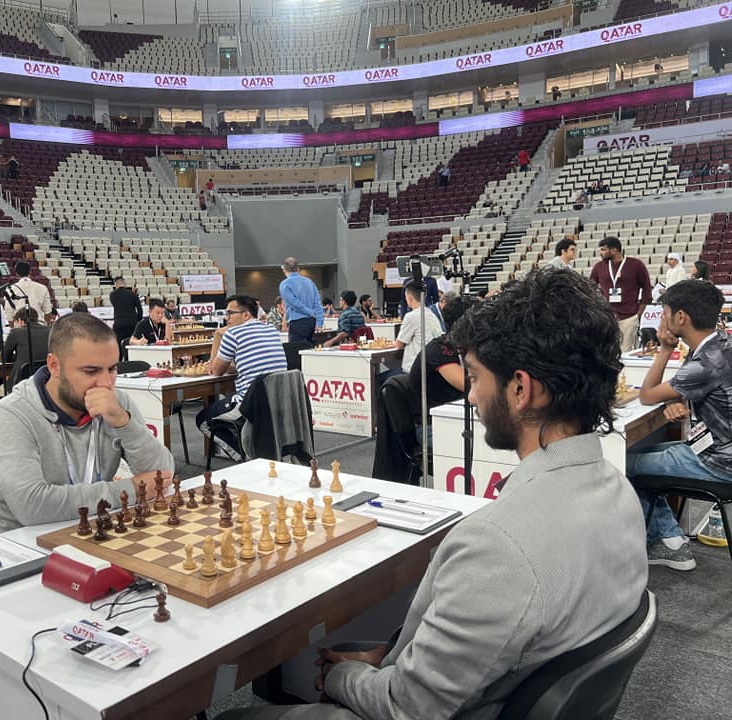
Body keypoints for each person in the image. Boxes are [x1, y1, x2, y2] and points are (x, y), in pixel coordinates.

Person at [220, 269, 647, 720]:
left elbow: (408, 708)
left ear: (522, 389)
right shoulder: (620, 492)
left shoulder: (498, 544)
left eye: (477, 377)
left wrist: (342, 678)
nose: (473, 397)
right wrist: (386, 658)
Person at [0, 313, 173, 536]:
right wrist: (132, 489)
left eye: (112, 369)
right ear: (54, 365)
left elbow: (163, 474)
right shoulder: (11, 414)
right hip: (25, 548)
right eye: (91, 371)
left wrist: (124, 423)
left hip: (97, 530)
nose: (106, 383)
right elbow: (32, 505)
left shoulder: (116, 402)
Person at [629, 280, 731, 571]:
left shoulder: (706, 361)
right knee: (646, 455)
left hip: (717, 462)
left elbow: (647, 395)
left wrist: (663, 349)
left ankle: (670, 543)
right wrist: (683, 403)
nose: (662, 319)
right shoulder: (721, 344)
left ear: (681, 318)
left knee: (623, 464)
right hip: (718, 449)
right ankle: (670, 538)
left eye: (665, 312)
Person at [200, 295, 287, 460]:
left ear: (246, 315)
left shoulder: (232, 334)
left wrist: (218, 335)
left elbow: (216, 371)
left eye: (230, 313)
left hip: (250, 402)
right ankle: (251, 450)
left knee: (203, 419)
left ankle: (245, 455)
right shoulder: (270, 329)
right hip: (278, 397)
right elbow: (250, 362)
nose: (227, 318)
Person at [407, 295, 477, 443]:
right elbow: (469, 386)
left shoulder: (466, 347)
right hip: (432, 426)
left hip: (456, 417)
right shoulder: (440, 350)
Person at [589, 236, 652, 354]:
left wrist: (638, 314)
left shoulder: (636, 265)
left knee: (626, 352)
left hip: (629, 316)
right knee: (606, 351)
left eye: (603, 250)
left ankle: (624, 373)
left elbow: (647, 289)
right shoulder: (599, 266)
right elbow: (590, 287)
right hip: (607, 317)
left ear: (614, 250)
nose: (601, 253)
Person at [394, 279, 443, 373]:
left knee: (379, 380)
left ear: (409, 297)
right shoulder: (432, 314)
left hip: (414, 369)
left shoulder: (411, 316)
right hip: (430, 367)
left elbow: (399, 344)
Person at [4, 307, 51, 389]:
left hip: (20, 385)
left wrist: (18, 357)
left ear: (19, 321)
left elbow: (4, 357)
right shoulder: (50, 331)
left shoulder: (16, 332)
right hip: (45, 382)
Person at [279, 257, 324, 345]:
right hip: (312, 322)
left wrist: (310, 312)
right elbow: (318, 303)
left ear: (284, 270)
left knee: (296, 353)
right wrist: (319, 322)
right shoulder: (310, 282)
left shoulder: (284, 284)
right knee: (310, 352)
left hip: (297, 323)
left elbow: (295, 304)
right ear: (298, 269)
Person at [109, 276, 143, 352]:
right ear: (124, 283)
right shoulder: (132, 294)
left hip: (119, 322)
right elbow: (140, 309)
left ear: (115, 284)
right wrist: (138, 319)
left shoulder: (112, 295)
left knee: (119, 344)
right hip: (132, 322)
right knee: (132, 343)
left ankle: (121, 361)